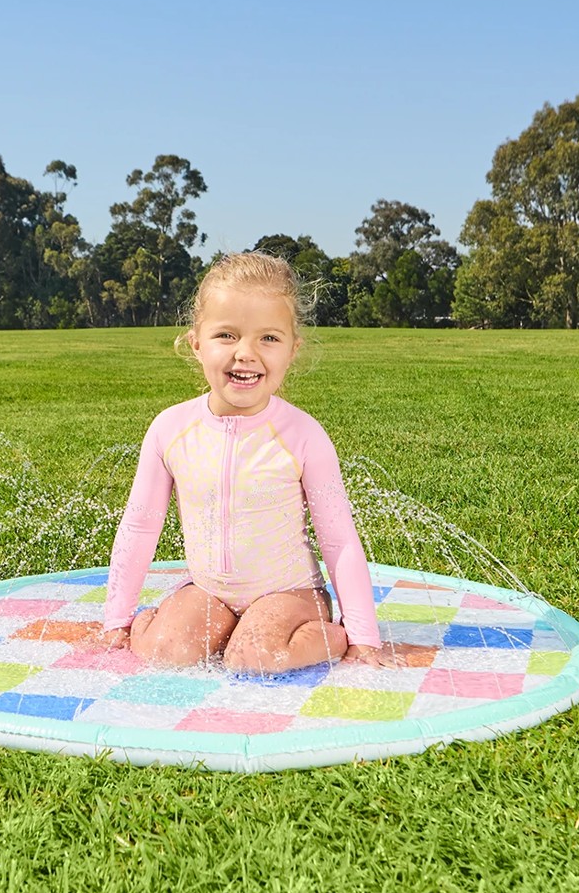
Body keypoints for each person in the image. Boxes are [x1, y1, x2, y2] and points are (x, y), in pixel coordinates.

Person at [100, 252, 396, 674]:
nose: (246, 354)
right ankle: (203, 624)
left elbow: (339, 539)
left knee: (253, 657)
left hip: (291, 593)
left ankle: (332, 635)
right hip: (210, 592)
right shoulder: (171, 429)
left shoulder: (303, 435)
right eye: (227, 335)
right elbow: (139, 525)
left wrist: (364, 634)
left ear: (293, 351)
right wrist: (117, 620)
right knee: (165, 650)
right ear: (195, 342)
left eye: (268, 338)